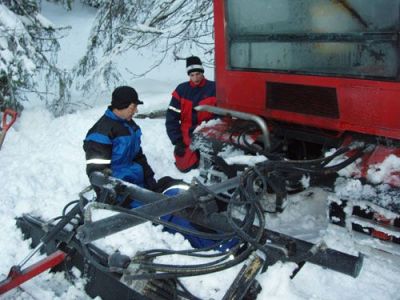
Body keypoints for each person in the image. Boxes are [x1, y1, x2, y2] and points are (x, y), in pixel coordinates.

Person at [83, 86, 157, 193]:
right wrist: (114, 191)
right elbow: (96, 174)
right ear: (121, 106)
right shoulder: (100, 133)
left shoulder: (130, 126)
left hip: (138, 186)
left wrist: (149, 179)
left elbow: (137, 157)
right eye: (133, 107)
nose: (136, 111)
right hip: (121, 192)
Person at [166, 56, 217, 172]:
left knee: (215, 163)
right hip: (187, 131)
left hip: (207, 129)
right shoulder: (181, 90)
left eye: (198, 74)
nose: (195, 78)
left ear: (202, 72)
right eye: (192, 75)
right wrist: (177, 140)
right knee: (184, 167)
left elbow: (221, 114)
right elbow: (171, 118)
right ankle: (193, 156)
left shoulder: (214, 88)